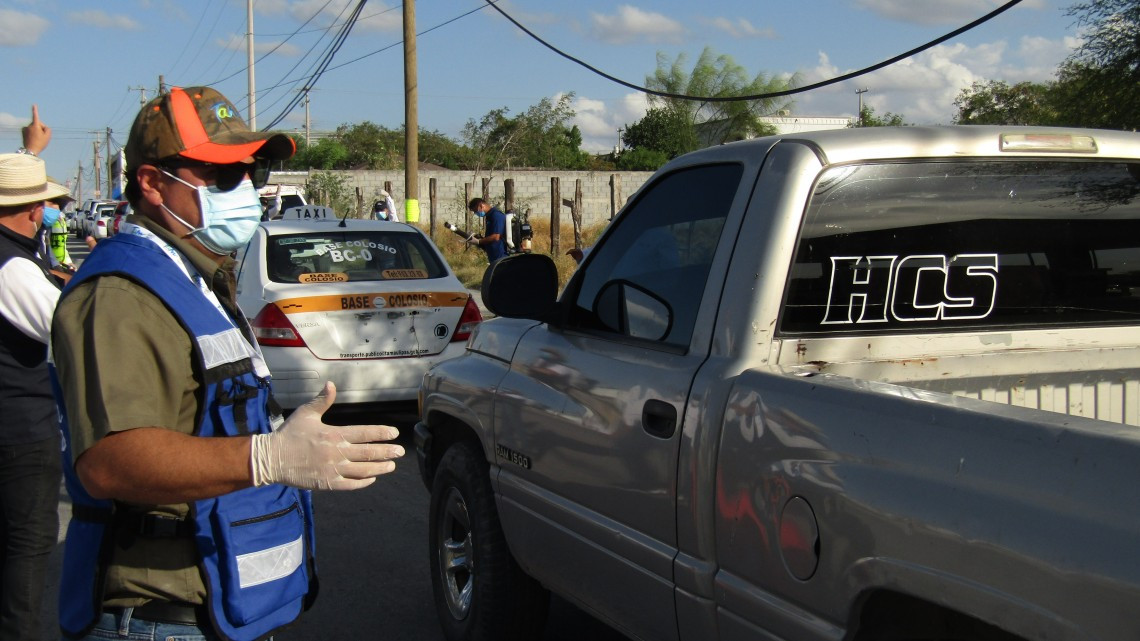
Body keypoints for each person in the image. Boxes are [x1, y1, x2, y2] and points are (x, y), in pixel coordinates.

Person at [50, 86, 405, 641]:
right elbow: (109, 461)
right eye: (220, 175)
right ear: (151, 183)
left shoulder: (195, 275)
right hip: (162, 618)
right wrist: (266, 457)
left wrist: (284, 437)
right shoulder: (121, 295)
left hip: (226, 607)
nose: (244, 188)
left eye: (253, 171)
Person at [0, 153, 70, 640]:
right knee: (27, 544)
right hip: (20, 428)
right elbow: (63, 328)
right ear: (32, 209)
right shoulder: (13, 267)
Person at [467, 197, 507, 264]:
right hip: (493, 254)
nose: (476, 213)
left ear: (481, 205)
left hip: (500, 255)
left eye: (476, 211)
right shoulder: (489, 216)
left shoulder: (496, 215)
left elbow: (496, 237)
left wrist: (479, 241)